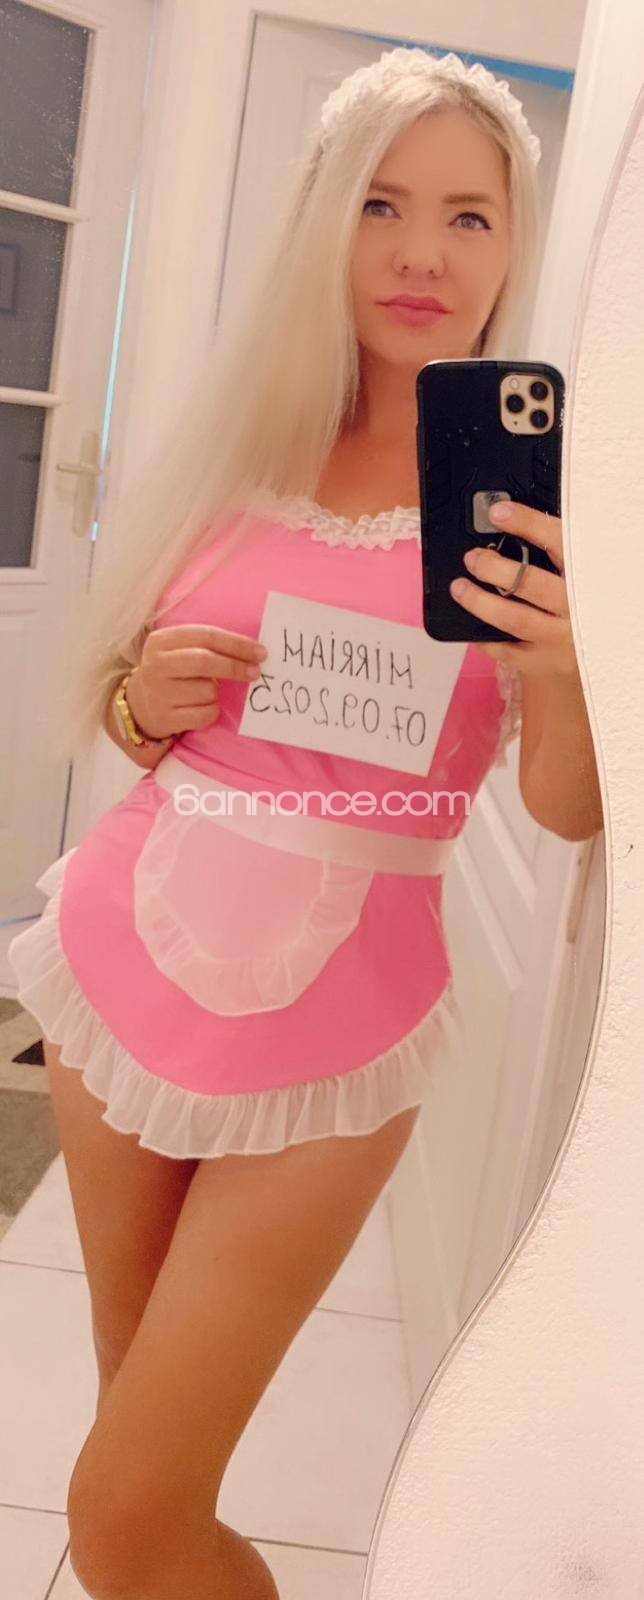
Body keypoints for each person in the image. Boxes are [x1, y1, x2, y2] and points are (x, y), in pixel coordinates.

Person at [8, 47, 602, 1600]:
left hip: (345, 1005)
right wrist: (145, 694)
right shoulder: (246, 439)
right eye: (383, 204)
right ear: (323, 219)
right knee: (133, 1479)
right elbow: (137, 717)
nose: (422, 253)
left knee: (126, 1513)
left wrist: (565, 663)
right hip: (125, 955)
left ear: (515, 247)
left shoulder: (548, 496)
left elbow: (567, 812)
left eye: (470, 217)